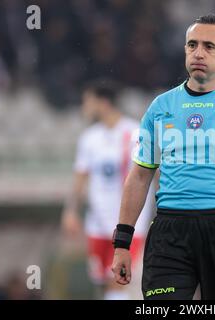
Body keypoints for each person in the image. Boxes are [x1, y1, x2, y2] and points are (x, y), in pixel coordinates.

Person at [111, 14, 215, 300]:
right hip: (169, 231)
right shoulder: (160, 108)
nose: (198, 52)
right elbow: (139, 177)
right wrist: (122, 244)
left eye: (209, 46)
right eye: (192, 45)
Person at [61, 80, 152, 300]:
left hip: (129, 222)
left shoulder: (135, 132)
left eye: (87, 101)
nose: (84, 107)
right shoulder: (89, 138)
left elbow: (152, 174)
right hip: (98, 221)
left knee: (118, 279)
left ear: (102, 102)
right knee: (102, 282)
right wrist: (71, 211)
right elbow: (81, 178)